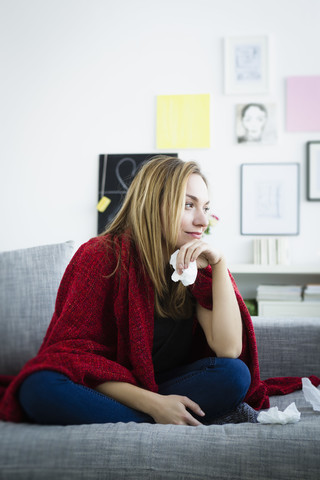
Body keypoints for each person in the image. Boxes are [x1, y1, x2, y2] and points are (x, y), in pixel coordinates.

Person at [0, 156, 319, 425]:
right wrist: (154, 405)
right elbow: (73, 357)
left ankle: (155, 415)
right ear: (155, 204)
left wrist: (219, 267)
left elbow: (228, 349)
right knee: (39, 386)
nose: (201, 220)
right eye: (188, 205)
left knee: (234, 375)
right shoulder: (100, 256)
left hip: (170, 384)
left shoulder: (201, 266)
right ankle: (156, 420)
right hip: (112, 388)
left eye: (206, 208)